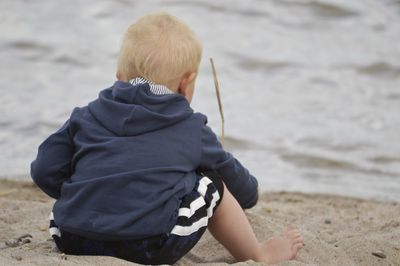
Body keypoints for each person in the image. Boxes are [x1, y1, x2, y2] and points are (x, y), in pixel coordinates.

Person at [31, 12, 304, 265]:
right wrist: (251, 193)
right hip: (148, 244)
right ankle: (257, 254)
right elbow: (235, 181)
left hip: (71, 237)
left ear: (120, 78)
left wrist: (93, 192)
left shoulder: (85, 116)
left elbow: (43, 170)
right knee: (212, 183)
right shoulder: (190, 127)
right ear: (187, 83)